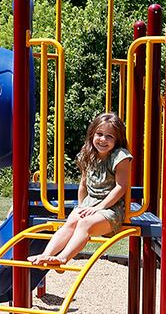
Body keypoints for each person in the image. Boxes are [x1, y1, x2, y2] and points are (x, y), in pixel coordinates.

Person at [29, 112, 132, 266]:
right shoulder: (88, 154)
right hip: (91, 204)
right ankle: (46, 254)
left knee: (84, 224)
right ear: (92, 134)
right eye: (99, 134)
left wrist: (99, 207)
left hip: (112, 208)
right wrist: (81, 205)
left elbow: (121, 187)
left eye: (109, 136)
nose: (103, 139)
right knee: (72, 220)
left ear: (117, 140)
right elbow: (83, 184)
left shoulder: (120, 157)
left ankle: (62, 258)